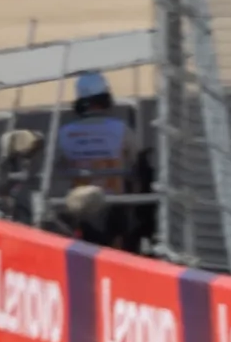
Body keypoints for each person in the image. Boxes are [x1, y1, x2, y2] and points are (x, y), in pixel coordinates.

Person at [50, 71, 154, 250]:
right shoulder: (121, 129)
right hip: (114, 208)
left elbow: (57, 168)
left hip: (80, 209)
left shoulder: (65, 133)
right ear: (106, 98)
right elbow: (138, 162)